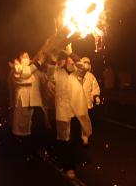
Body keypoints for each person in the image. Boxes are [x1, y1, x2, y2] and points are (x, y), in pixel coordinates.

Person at [47, 51, 89, 179]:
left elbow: (83, 66)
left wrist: (72, 53)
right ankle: (68, 166)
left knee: (74, 139)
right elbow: (49, 76)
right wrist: (53, 61)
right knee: (63, 140)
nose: (72, 63)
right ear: (65, 62)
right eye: (69, 60)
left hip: (75, 112)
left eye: (73, 61)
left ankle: (70, 163)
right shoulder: (57, 72)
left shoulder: (78, 73)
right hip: (62, 113)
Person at [9, 52, 46, 158]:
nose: (26, 58)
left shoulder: (35, 70)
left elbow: (46, 80)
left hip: (35, 102)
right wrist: (38, 62)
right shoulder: (15, 70)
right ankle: (20, 153)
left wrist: (51, 63)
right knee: (22, 130)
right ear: (19, 60)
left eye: (28, 56)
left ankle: (36, 150)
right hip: (23, 103)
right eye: (23, 57)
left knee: (37, 126)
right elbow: (24, 75)